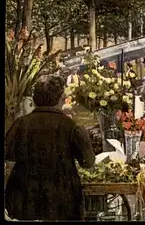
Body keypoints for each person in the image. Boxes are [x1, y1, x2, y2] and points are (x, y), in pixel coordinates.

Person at [5, 75, 95, 220]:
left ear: (35, 99)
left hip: (23, 199)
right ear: (60, 99)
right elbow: (88, 161)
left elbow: (8, 155)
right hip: (62, 200)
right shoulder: (71, 126)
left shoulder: (20, 124)